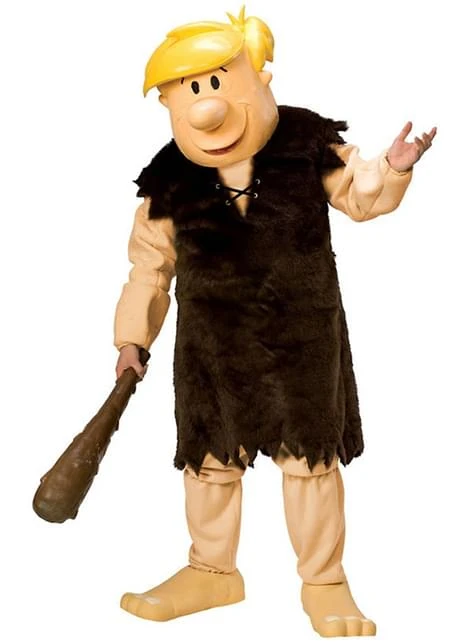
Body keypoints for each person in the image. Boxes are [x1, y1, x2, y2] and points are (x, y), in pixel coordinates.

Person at [113, 8, 436, 638]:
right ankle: (212, 571)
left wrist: (392, 167)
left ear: (256, 78)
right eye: (190, 91)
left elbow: (360, 193)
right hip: (212, 346)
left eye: (216, 83)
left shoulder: (305, 142)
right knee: (209, 459)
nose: (208, 108)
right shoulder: (169, 178)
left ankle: (324, 581)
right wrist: (132, 338)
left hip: (301, 338)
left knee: (310, 461)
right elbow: (149, 267)